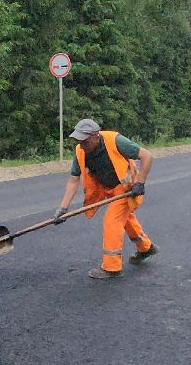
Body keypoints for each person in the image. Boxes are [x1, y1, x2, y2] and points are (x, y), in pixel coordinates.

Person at [53, 117, 156, 280]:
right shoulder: (81, 151)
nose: (81, 145)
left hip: (125, 189)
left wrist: (141, 182)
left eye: (85, 141)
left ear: (96, 136)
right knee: (126, 219)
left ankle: (112, 266)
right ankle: (145, 247)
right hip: (107, 189)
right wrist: (63, 208)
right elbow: (74, 180)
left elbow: (147, 156)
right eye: (79, 141)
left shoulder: (115, 141)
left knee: (112, 220)